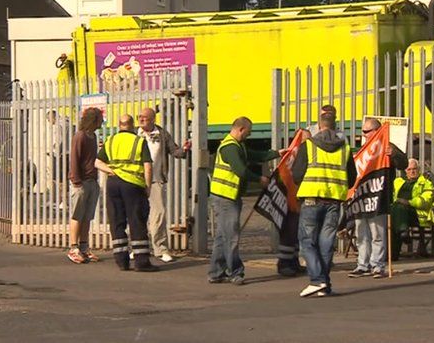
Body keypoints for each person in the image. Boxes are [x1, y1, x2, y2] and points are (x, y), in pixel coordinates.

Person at [207, 117, 281, 285]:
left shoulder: (237, 146)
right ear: (240, 129)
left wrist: (277, 153)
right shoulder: (230, 148)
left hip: (227, 196)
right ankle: (235, 272)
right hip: (226, 197)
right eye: (248, 132)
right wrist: (259, 179)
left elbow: (257, 155)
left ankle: (216, 272)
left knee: (222, 236)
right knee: (231, 237)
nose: (249, 135)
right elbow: (240, 170)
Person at [292, 111, 357, 297]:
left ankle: (317, 280)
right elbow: (352, 178)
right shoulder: (344, 149)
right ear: (335, 126)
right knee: (326, 243)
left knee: (306, 242)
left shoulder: (309, 146)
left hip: (312, 199)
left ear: (319, 126)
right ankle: (325, 284)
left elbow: (296, 174)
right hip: (334, 201)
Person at [95, 114, 157, 272]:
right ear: (131, 125)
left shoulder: (110, 141)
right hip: (133, 185)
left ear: (119, 125)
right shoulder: (139, 141)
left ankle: (121, 261)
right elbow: (148, 166)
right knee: (137, 221)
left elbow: (97, 162)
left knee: (117, 221)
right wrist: (148, 187)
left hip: (113, 183)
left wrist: (112, 170)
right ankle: (141, 261)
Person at [348, 118, 408, 279]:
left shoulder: (388, 147)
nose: (364, 134)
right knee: (361, 234)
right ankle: (362, 265)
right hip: (361, 197)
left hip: (379, 196)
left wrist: (394, 154)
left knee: (377, 233)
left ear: (376, 131)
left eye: (367, 131)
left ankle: (377, 265)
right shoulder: (362, 150)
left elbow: (403, 163)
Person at [137, 108, 191, 263]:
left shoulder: (162, 134)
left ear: (153, 119)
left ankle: (160, 249)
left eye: (145, 118)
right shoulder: (135, 134)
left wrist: (185, 149)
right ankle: (137, 248)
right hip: (136, 178)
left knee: (158, 214)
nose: (141, 120)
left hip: (155, 179)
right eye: (139, 117)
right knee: (136, 214)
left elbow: (175, 151)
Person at [67, 107, 103, 264]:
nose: (102, 122)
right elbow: (75, 158)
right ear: (94, 120)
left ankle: (84, 246)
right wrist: (76, 181)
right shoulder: (80, 137)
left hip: (91, 180)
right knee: (77, 215)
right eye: (100, 119)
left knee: (87, 216)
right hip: (81, 182)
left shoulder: (93, 137)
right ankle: (73, 247)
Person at [390, 158, 434, 261]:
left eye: (414, 169)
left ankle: (402, 233)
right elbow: (391, 197)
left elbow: (426, 200)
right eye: (409, 169)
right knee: (394, 212)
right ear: (405, 171)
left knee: (398, 209)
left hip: (417, 214)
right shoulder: (398, 182)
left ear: (418, 170)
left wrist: (409, 202)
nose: (412, 171)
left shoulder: (425, 182)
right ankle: (393, 252)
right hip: (399, 213)